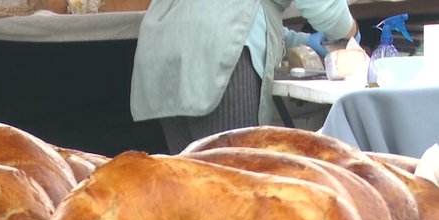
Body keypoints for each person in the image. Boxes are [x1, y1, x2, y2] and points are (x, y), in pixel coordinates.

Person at [130, 0, 360, 155]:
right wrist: (348, 32)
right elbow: (324, 7)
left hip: (162, 50)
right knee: (229, 191)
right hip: (218, 53)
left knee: (190, 191)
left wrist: (300, 41)